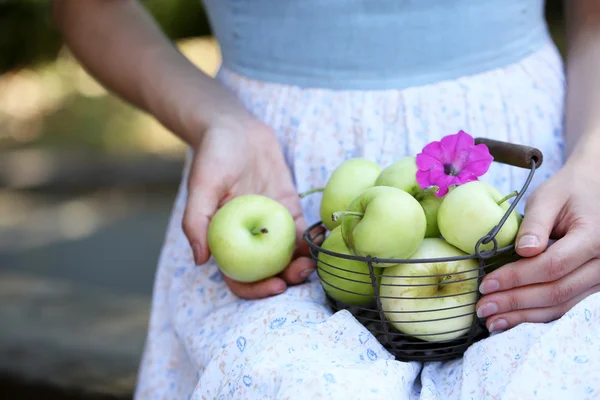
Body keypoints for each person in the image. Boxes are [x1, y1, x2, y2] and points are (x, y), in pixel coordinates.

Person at [51, 0, 600, 398]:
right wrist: (214, 119)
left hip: (516, 171)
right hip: (275, 175)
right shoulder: (269, 181)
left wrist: (594, 162)